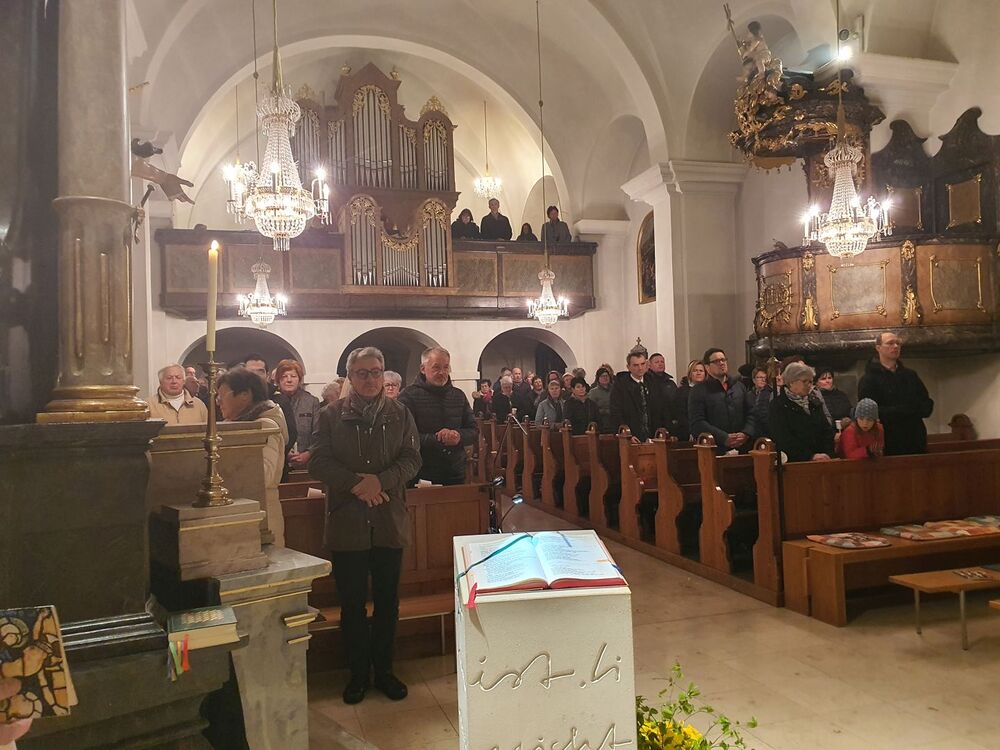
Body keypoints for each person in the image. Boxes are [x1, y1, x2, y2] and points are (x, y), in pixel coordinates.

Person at [308, 346, 421, 705]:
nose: (370, 379)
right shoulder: (331, 415)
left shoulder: (400, 413)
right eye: (362, 373)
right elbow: (318, 461)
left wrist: (381, 481)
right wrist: (358, 484)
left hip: (389, 519)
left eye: (375, 372)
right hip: (348, 520)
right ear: (350, 376)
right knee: (352, 603)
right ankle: (358, 674)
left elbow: (412, 458)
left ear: (383, 374)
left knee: (388, 602)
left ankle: (384, 671)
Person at [217, 366, 290, 546]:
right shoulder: (235, 425)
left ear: (244, 395)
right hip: (242, 510)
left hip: (263, 515)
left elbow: (264, 474)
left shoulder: (264, 426)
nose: (218, 401)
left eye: (222, 395)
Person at [398, 347, 477, 485]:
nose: (442, 372)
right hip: (421, 471)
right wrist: (437, 438)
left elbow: (474, 430)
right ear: (423, 369)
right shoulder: (408, 396)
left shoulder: (458, 395)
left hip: (454, 471)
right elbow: (403, 436)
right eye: (436, 367)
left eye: (446, 367)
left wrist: (458, 436)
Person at [858, 331, 934, 455]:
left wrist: (916, 409)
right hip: (889, 439)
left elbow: (926, 404)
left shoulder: (910, 375)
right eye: (890, 343)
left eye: (898, 343)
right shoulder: (869, 379)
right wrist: (905, 410)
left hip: (915, 437)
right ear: (878, 348)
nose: (895, 346)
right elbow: (869, 412)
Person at [688, 348, 756, 453]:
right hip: (716, 449)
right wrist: (724, 437)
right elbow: (697, 422)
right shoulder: (699, 390)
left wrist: (746, 433)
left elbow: (751, 413)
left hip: (743, 447)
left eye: (723, 360)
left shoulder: (739, 387)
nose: (721, 363)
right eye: (716, 361)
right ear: (707, 367)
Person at [768, 362, 835, 463]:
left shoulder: (814, 402)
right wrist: (810, 456)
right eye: (805, 381)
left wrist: (827, 454)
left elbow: (826, 430)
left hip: (822, 460)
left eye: (811, 382)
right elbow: (783, 439)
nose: (809, 385)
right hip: (796, 462)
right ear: (791, 382)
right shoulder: (778, 405)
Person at [609, 348, 667, 442]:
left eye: (642, 364)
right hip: (632, 436)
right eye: (635, 365)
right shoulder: (620, 386)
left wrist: (661, 432)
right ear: (628, 367)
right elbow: (616, 413)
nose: (640, 368)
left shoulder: (653, 382)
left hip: (653, 436)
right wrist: (627, 435)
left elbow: (661, 409)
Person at [276, 359, 322, 470]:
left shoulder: (311, 402)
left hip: (308, 464)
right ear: (278, 380)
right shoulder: (272, 402)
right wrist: (284, 452)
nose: (289, 380)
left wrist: (308, 453)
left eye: (293, 376)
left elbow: (319, 433)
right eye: (284, 376)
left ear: (300, 379)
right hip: (279, 463)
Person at [647, 352, 679, 435]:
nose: (660, 364)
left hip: (669, 423)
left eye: (662, 362)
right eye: (657, 362)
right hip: (652, 423)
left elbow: (676, 402)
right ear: (649, 365)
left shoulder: (670, 383)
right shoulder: (646, 382)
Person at [675, 360, 706, 440]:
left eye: (701, 371)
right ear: (690, 374)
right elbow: (681, 414)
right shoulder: (682, 391)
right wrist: (690, 431)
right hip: (688, 433)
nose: (698, 373)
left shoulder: (709, 391)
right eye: (695, 371)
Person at [751, 365, 776, 438]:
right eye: (760, 377)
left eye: (765, 377)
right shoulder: (748, 395)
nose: (763, 380)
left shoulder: (771, 394)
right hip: (753, 432)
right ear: (754, 380)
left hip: (767, 432)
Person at [588, 366, 614, 433]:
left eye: (606, 376)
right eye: (602, 376)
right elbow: (592, 409)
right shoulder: (593, 392)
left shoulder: (615, 390)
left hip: (614, 421)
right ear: (598, 378)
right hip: (601, 423)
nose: (605, 378)